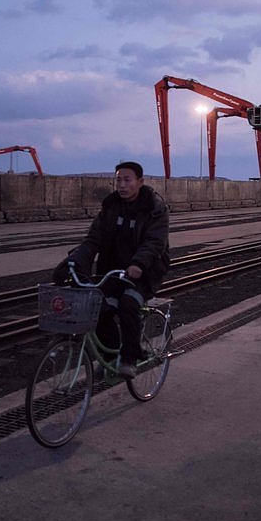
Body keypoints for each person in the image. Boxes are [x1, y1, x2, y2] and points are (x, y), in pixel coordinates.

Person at [53, 161, 170, 379]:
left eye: (127, 180)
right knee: (98, 308)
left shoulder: (154, 208)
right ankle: (110, 358)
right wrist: (76, 261)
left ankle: (129, 358)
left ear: (140, 182)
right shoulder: (111, 206)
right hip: (113, 270)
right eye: (118, 180)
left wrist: (138, 264)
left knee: (128, 304)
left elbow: (155, 242)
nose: (122, 185)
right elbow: (93, 239)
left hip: (145, 271)